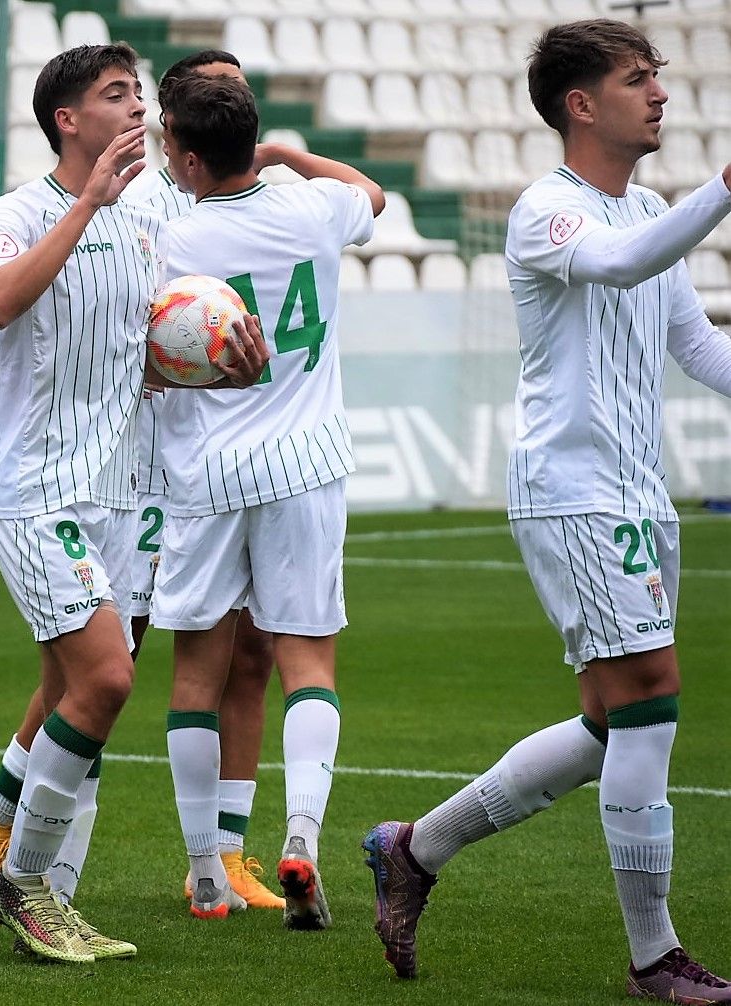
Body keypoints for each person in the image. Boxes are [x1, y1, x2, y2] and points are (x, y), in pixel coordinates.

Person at [362, 20, 731, 1001]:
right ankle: (654, 957)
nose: (658, 93)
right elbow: (621, 265)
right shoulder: (545, 213)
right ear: (581, 104)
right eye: (636, 78)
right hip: (574, 492)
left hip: (638, 488)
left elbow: (694, 346)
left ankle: (413, 848)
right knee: (651, 697)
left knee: (612, 723)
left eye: (657, 77)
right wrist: (727, 188)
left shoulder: (647, 202)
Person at [0, 49, 286, 924]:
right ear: (67, 119)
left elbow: (141, 362)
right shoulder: (21, 210)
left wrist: (224, 369)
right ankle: (24, 882)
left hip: (120, 494)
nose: (138, 109)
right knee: (105, 681)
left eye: (139, 96)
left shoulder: (142, 228)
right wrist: (87, 201)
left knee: (80, 687)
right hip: (37, 489)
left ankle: (32, 870)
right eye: (116, 95)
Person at [151, 72, 384, 925]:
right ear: (252, 142)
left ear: (183, 152)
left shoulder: (168, 238)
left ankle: (205, 873)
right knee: (307, 667)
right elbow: (372, 194)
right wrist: (287, 155)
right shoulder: (314, 212)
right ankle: (299, 840)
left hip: (206, 473)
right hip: (307, 465)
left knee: (195, 675)